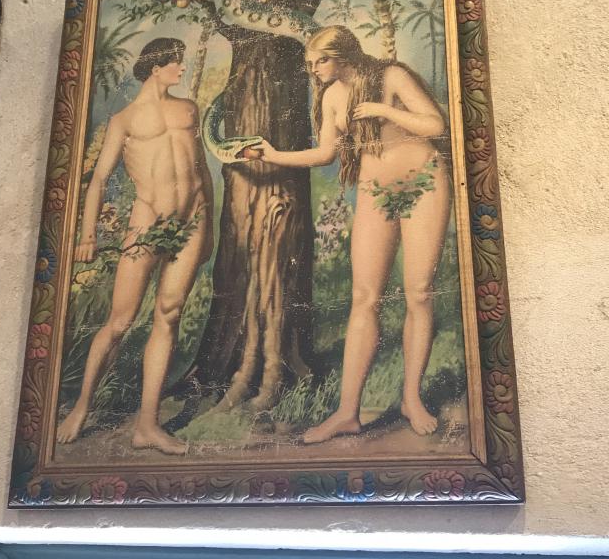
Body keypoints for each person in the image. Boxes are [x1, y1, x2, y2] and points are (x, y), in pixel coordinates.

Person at [251, 25, 451, 444]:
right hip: (376, 192)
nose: (314, 69)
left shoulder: (392, 76)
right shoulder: (331, 97)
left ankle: (411, 399)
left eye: (321, 60)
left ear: (344, 55)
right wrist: (273, 155)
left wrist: (385, 111)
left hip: (423, 183)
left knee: (418, 293)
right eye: (310, 63)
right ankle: (347, 413)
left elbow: (435, 125)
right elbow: (326, 153)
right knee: (364, 298)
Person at [56, 37, 213, 454]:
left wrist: (210, 227)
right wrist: (87, 235)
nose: (182, 68)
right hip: (147, 223)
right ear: (157, 66)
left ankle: (147, 424)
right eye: (176, 62)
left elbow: (201, 171)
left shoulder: (188, 109)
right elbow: (98, 180)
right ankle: (81, 407)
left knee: (169, 314)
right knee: (120, 321)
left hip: (192, 221)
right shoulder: (123, 120)